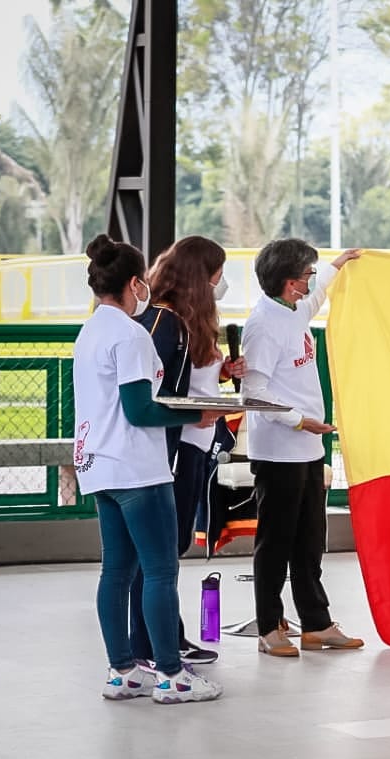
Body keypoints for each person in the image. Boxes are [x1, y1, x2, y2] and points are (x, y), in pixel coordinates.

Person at [73, 233, 224, 703]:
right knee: (160, 572)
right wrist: (195, 415)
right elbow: (140, 410)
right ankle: (173, 676)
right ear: (136, 283)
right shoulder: (131, 335)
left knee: (115, 573)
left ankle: (123, 671)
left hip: (99, 465)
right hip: (138, 468)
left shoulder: (90, 331)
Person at [241, 239, 364, 657]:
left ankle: (317, 623)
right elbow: (253, 390)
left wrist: (339, 264)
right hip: (279, 450)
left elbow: (320, 293)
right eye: (307, 275)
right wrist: (298, 420)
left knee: (310, 541)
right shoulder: (262, 325)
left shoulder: (296, 309)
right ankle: (269, 626)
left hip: (309, 448)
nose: (313, 280)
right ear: (291, 283)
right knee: (275, 542)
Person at [127, 236, 247, 665]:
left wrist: (224, 370)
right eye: (218, 273)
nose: (222, 282)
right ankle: (149, 643)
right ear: (202, 277)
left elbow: (195, 382)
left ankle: (163, 635)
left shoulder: (187, 322)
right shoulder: (165, 324)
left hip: (195, 445)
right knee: (160, 552)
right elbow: (160, 395)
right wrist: (195, 415)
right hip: (175, 449)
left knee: (169, 548)